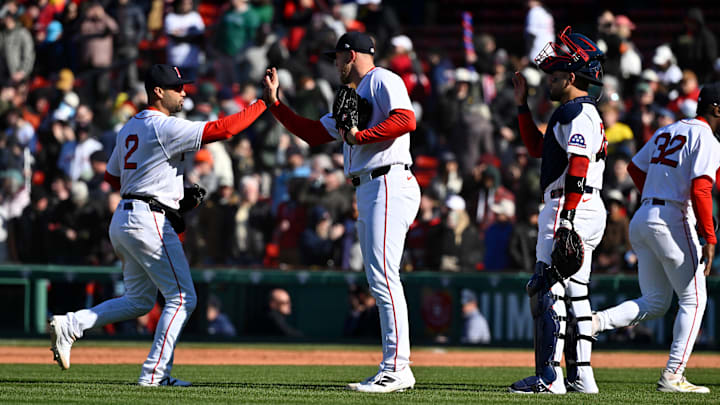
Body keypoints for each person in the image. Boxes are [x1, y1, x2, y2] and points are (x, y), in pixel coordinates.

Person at [48, 64, 267, 386]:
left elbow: (112, 177)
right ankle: (155, 374)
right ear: (158, 92)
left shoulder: (129, 127)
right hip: (148, 219)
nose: (184, 92)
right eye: (177, 87)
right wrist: (263, 102)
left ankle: (72, 324)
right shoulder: (164, 126)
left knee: (138, 300)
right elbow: (223, 130)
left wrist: (166, 188)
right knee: (182, 298)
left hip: (126, 216)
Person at [262, 31, 420, 392]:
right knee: (379, 277)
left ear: (351, 55)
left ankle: (397, 367)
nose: (334, 63)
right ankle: (396, 366)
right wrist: (276, 105)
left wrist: (358, 138)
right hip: (370, 185)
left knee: (383, 277)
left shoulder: (382, 78)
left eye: (336, 57)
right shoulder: (351, 95)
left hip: (388, 180)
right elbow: (314, 134)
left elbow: (406, 120)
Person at [592, 83, 720, 393]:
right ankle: (673, 375)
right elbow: (702, 189)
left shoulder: (669, 129)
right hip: (673, 219)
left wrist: (652, 194)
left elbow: (635, 167)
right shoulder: (706, 137)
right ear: (716, 109)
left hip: (644, 217)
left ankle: (591, 324)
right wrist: (709, 236)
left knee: (655, 302)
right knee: (695, 299)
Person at [509, 26, 608, 394]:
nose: (548, 82)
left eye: (553, 76)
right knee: (577, 294)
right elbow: (538, 148)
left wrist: (566, 215)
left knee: (547, 290)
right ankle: (582, 377)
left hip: (570, 204)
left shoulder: (574, 111)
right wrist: (521, 106)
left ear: (570, 77)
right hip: (586, 205)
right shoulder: (581, 112)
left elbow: (579, 164)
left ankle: (549, 377)